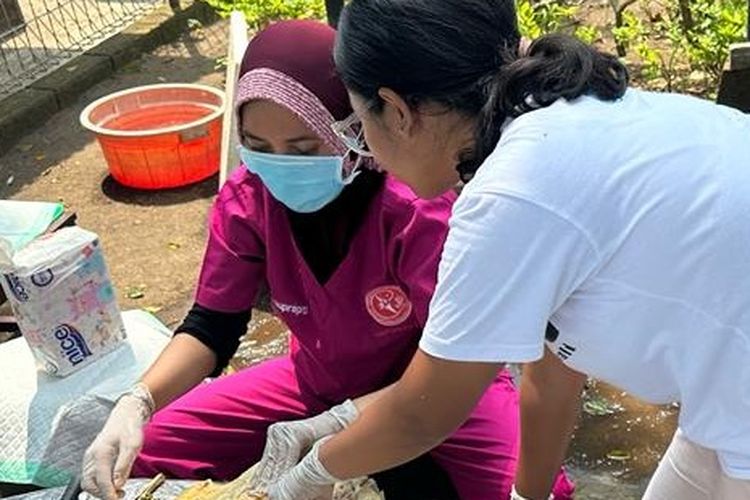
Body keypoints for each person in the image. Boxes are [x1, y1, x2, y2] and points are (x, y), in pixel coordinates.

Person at [257, 1, 750, 499]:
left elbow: (423, 414)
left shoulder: (513, 193)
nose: (371, 156)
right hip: (726, 407)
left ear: (399, 111)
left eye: (360, 127)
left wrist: (315, 470)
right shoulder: (571, 116)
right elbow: (553, 369)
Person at [80, 19, 574, 500]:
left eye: (303, 147)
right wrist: (137, 402)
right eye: (258, 147)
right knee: (142, 452)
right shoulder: (250, 197)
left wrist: (336, 432)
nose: (280, 165)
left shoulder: (414, 207)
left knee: (536, 487)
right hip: (317, 382)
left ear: (350, 129)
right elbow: (212, 325)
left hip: (441, 391)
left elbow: (453, 367)